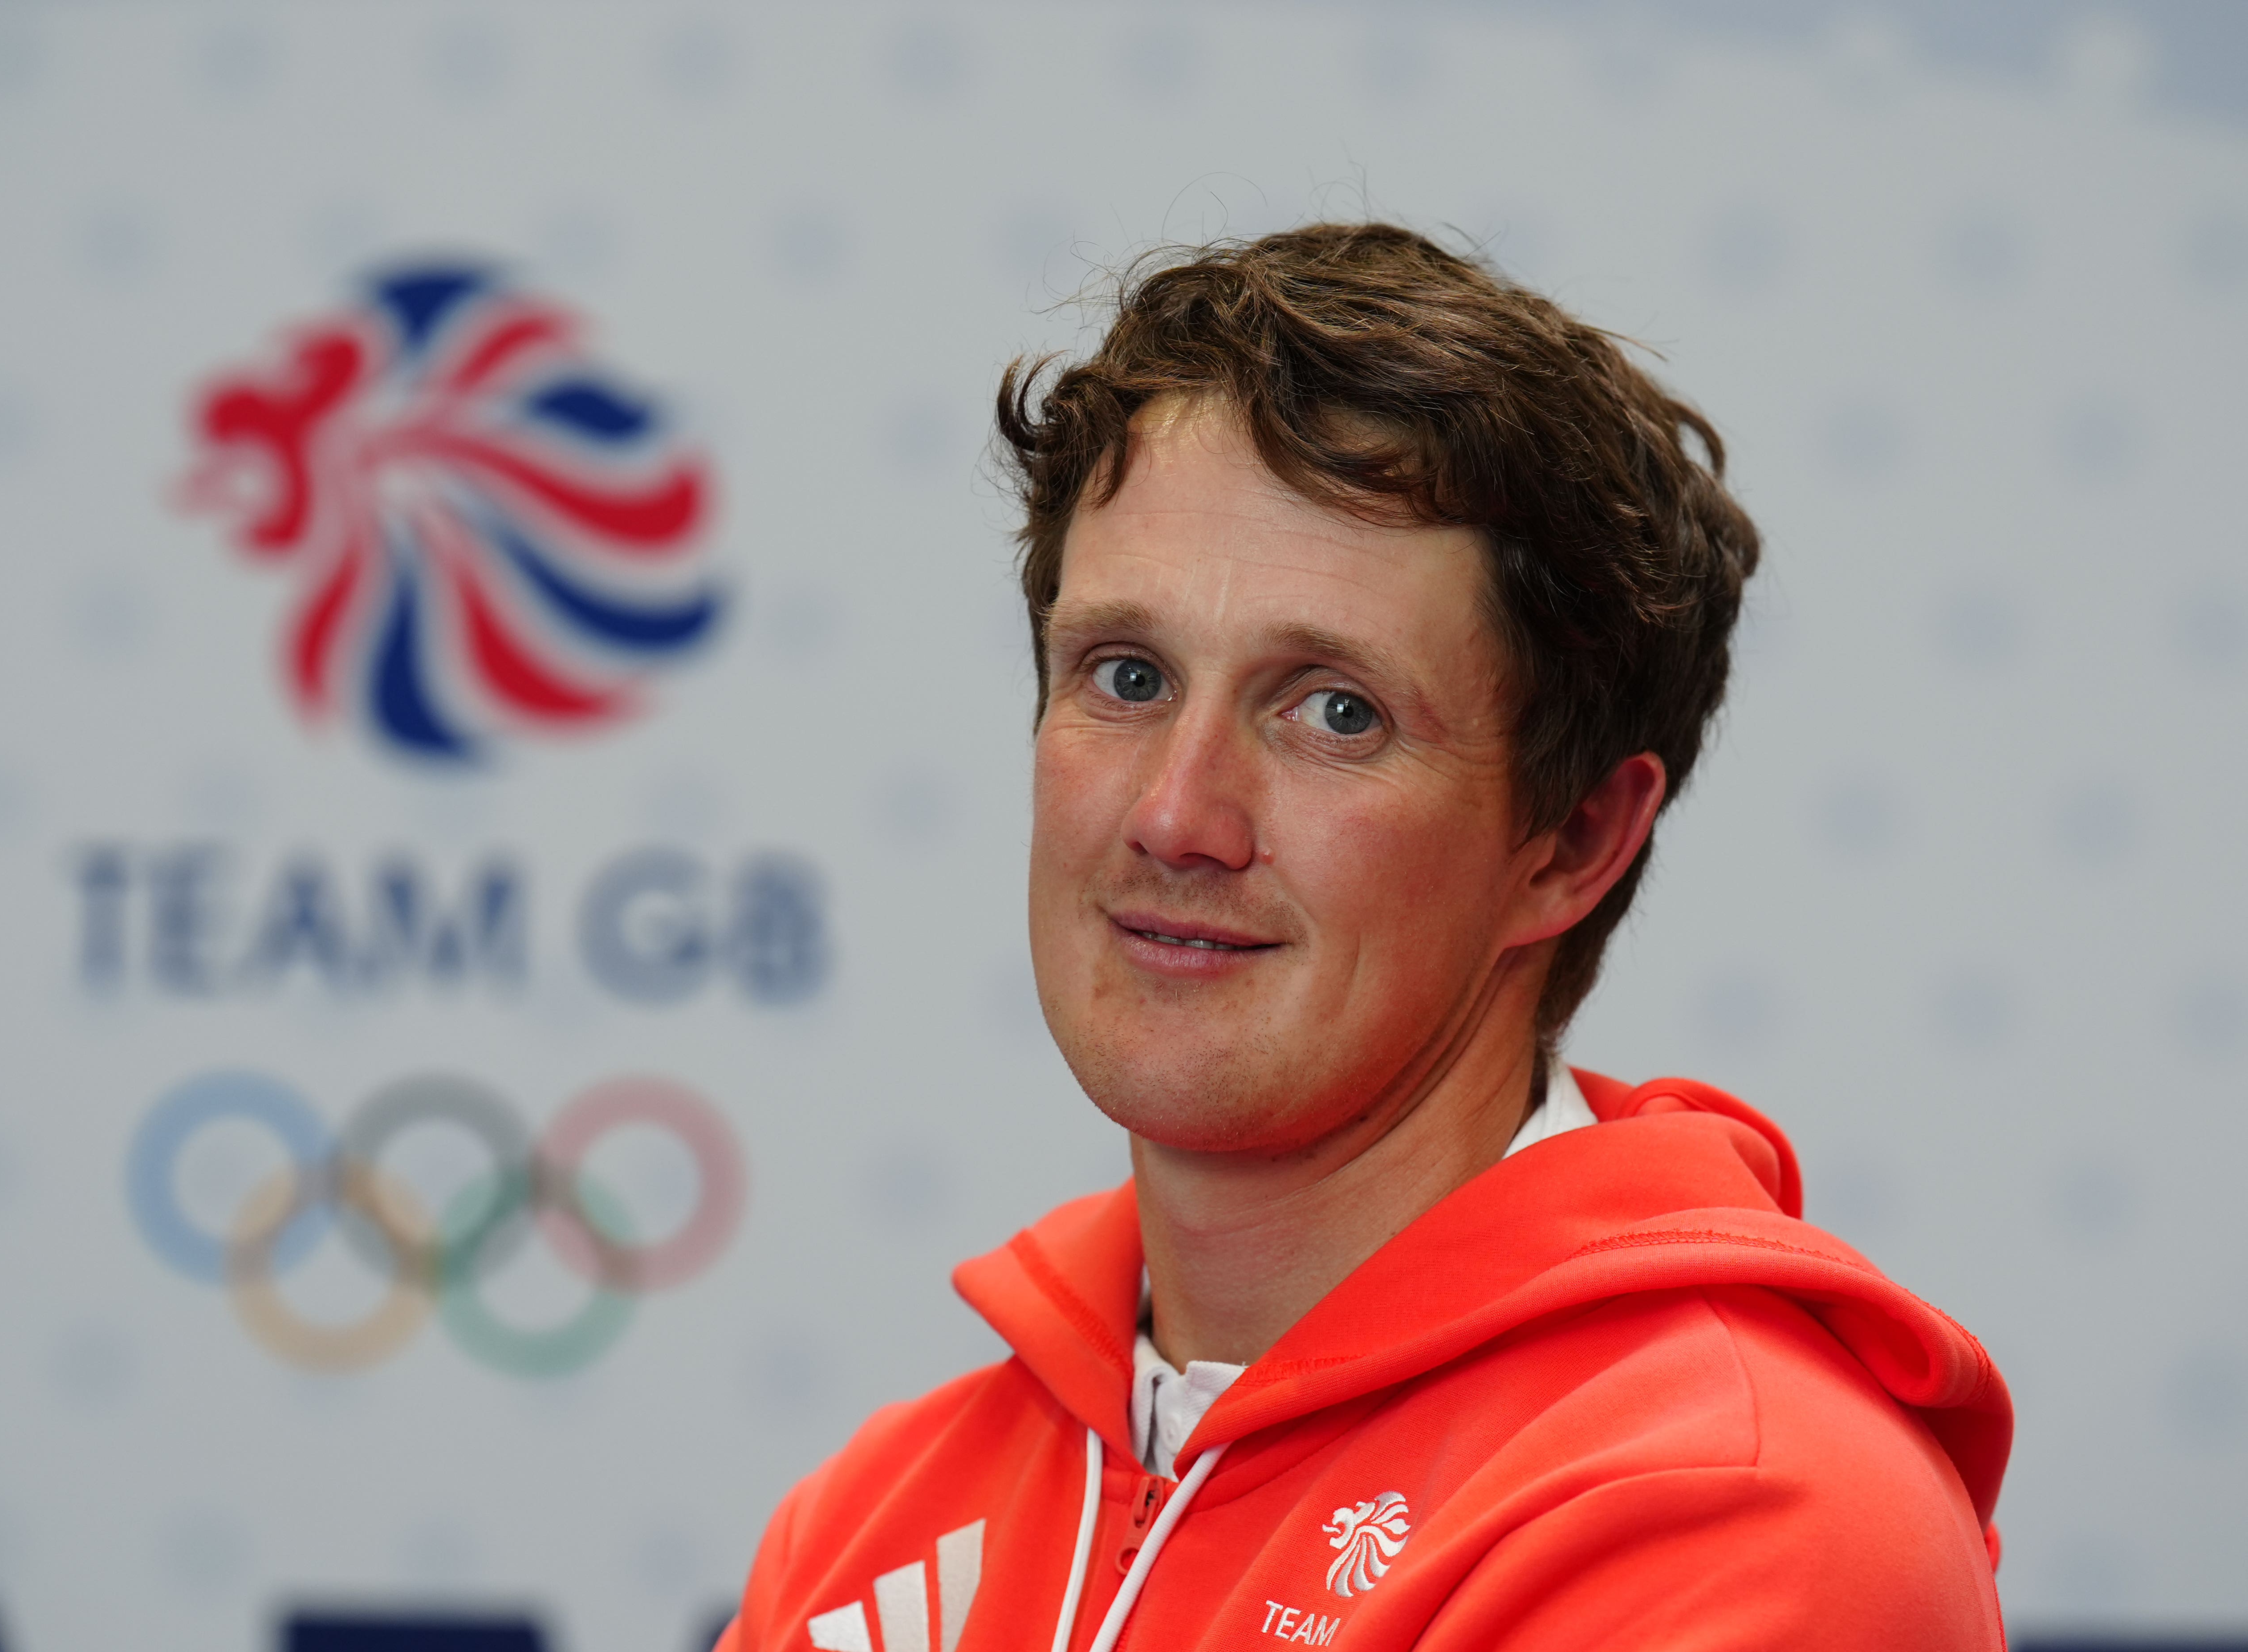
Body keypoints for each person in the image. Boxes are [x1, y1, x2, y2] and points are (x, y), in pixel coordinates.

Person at [716, 224, 2011, 1652]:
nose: (1175, 815)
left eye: (1336, 711)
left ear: (1572, 842)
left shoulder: (1740, 1517)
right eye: (1127, 676)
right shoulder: (868, 1526)